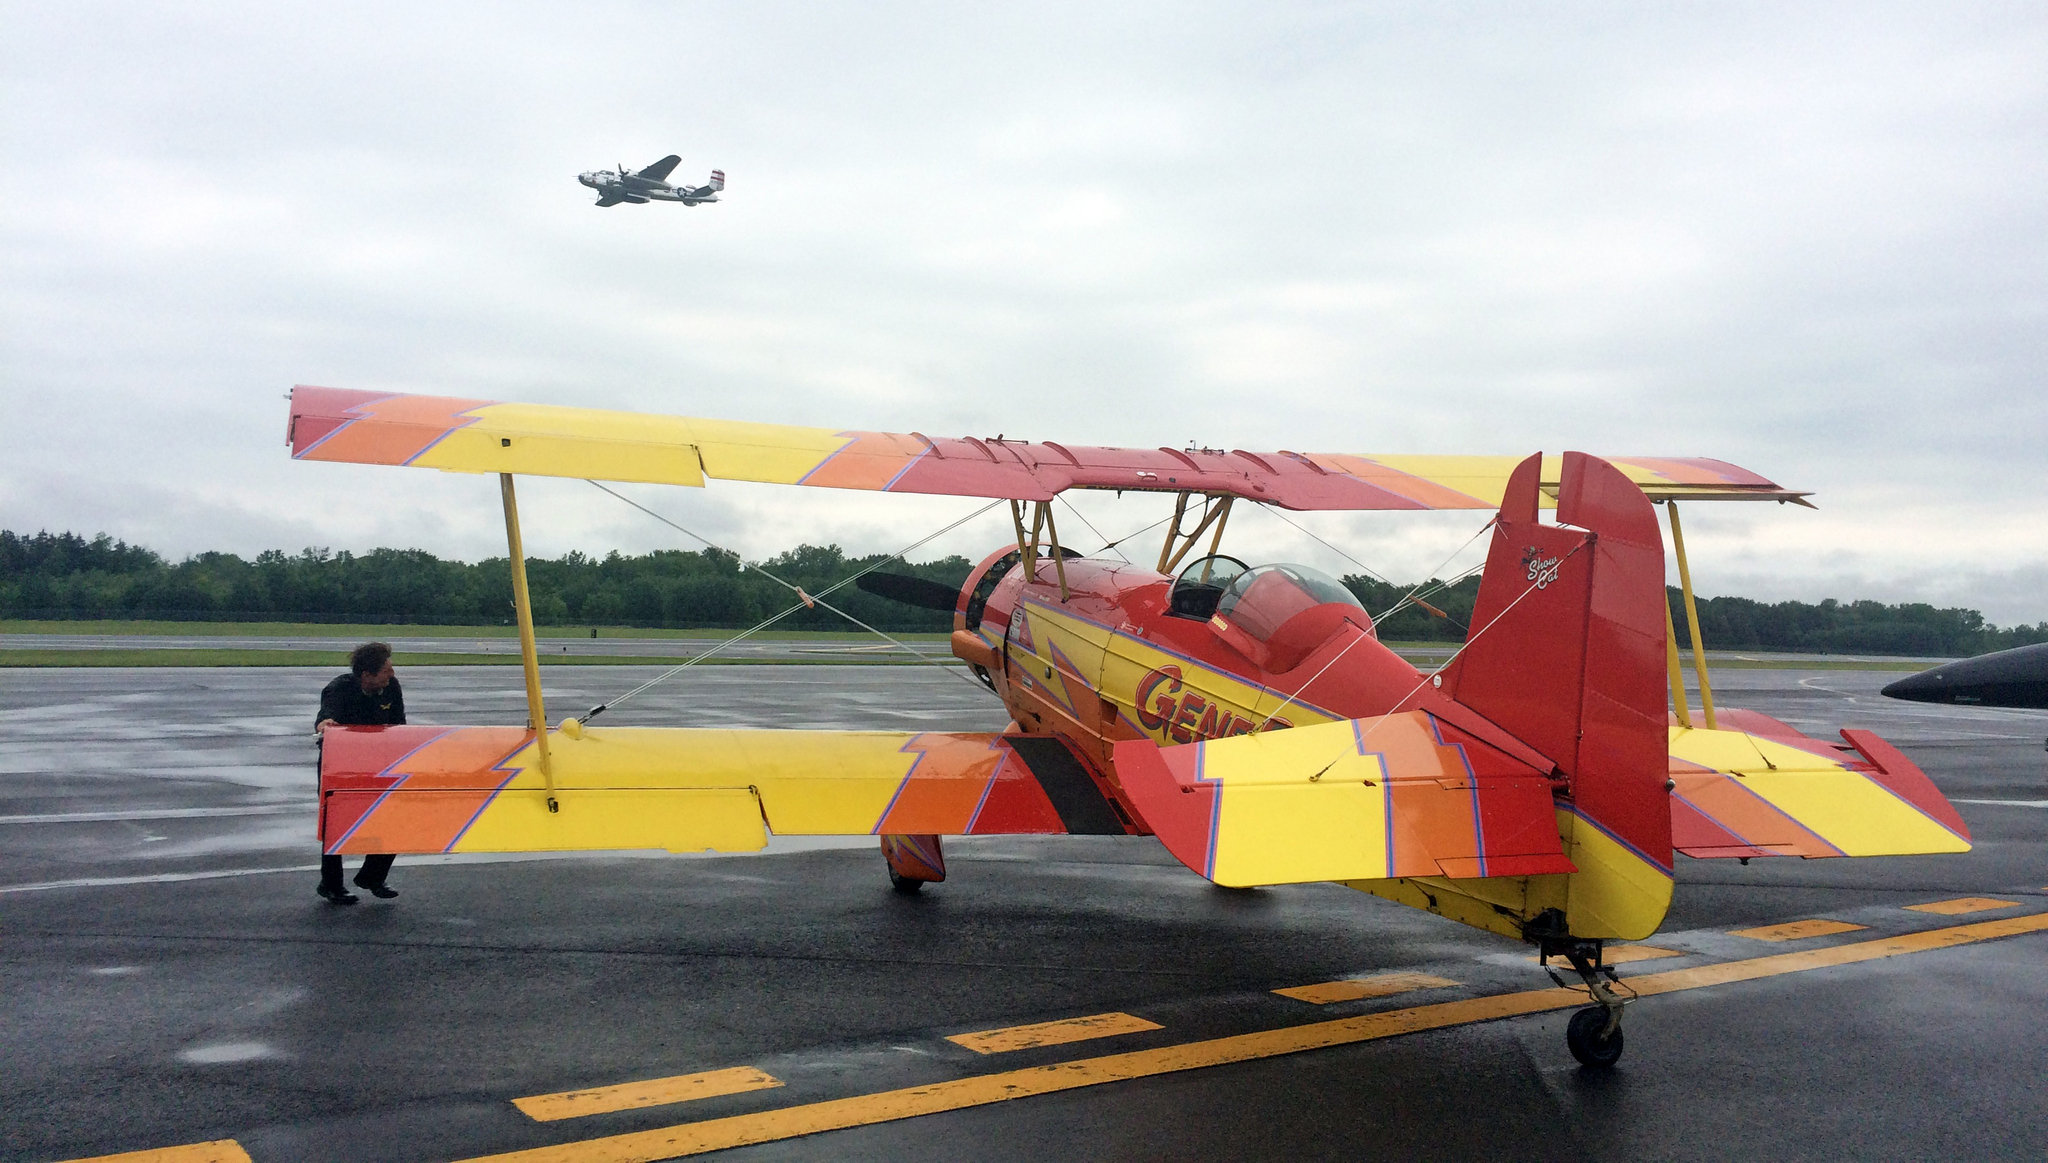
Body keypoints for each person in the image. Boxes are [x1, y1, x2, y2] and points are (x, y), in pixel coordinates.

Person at [313, 641, 406, 904]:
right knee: (335, 824)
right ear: (367, 675)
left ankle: (372, 877)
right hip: (340, 767)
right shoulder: (339, 689)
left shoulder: (392, 687)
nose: (392, 674)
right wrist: (325, 724)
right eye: (386, 670)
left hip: (378, 764)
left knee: (393, 815)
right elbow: (324, 719)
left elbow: (400, 725)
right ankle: (331, 885)